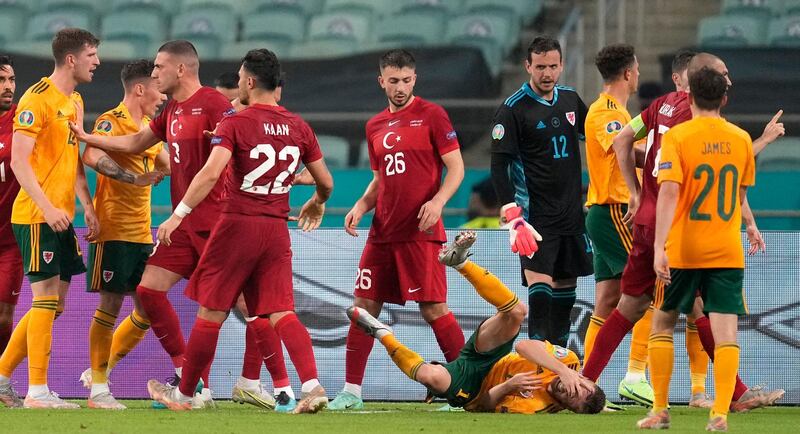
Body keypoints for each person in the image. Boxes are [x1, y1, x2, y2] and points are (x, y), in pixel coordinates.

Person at [583, 52, 785, 412]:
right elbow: (723, 171)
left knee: (629, 307)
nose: (729, 80)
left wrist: (634, 192)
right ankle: (727, 395)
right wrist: (764, 141)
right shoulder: (693, 120)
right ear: (707, 81)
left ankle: (584, 383)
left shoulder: (660, 105)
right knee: (693, 310)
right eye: (723, 74)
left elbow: (622, 141)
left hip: (648, 223)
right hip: (675, 229)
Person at [146, 48, 333, 414]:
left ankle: (185, 395)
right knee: (281, 311)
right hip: (276, 230)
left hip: (236, 226)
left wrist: (177, 215)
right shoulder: (299, 126)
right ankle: (312, 385)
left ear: (248, 81)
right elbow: (324, 181)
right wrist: (318, 201)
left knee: (210, 313)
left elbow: (211, 173)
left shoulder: (236, 122)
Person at [70, 39, 235, 407]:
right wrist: (90, 140)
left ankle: (275, 383)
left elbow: (195, 160)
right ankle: (107, 382)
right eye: (154, 70)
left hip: (200, 223)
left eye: (161, 66)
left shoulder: (211, 105)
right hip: (132, 228)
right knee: (137, 297)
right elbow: (120, 147)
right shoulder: (150, 115)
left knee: (232, 304)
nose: (158, 76)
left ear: (180, 68)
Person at [329, 49, 466, 411]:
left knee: (434, 308)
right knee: (363, 309)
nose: (400, 87)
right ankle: (351, 393)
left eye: (406, 80)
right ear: (382, 82)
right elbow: (379, 181)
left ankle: (465, 388)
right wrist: (360, 206)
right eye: (393, 81)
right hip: (382, 233)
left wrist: (437, 203)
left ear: (414, 79)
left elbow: (456, 169)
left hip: (420, 232)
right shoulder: (374, 125)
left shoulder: (433, 115)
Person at [348, 230, 606, 414]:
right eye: (580, 388)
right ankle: (460, 262)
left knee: (432, 377)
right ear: (586, 380)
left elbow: (483, 405)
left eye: (571, 399)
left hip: (473, 386)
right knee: (516, 311)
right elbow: (524, 346)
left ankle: (381, 333)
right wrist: (563, 370)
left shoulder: (536, 408)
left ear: (566, 407)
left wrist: (508, 386)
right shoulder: (568, 361)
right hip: (490, 355)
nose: (569, 390)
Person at [639, 66, 754, 431]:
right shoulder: (741, 139)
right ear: (724, 98)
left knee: (661, 324)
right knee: (726, 335)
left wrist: (659, 247)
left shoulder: (678, 136)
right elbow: (739, 194)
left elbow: (669, 192)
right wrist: (749, 226)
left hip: (684, 249)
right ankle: (719, 413)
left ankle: (659, 410)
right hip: (726, 249)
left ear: (689, 97)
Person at [0, 28, 100, 409]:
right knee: (43, 301)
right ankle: (37, 391)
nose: (97, 62)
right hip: (36, 214)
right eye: (92, 54)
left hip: (62, 216)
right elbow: (18, 160)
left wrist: (87, 206)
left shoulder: (74, 100)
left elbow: (73, 161)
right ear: (72, 59)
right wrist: (46, 206)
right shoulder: (35, 99)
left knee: (55, 304)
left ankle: (2, 374)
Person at [77, 59, 168, 410]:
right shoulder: (110, 122)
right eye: (158, 88)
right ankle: (100, 390)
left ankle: (99, 371)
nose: (162, 97)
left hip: (143, 232)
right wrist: (133, 178)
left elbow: (167, 164)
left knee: (147, 309)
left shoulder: (147, 127)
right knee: (111, 305)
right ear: (140, 89)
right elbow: (92, 155)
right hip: (113, 229)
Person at [490, 36, 592, 348]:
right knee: (541, 290)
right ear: (527, 66)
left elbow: (599, 141)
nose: (547, 73)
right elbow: (499, 164)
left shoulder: (571, 100)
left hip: (572, 215)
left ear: (561, 65)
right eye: (540, 67)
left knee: (566, 292)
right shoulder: (512, 109)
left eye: (552, 66)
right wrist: (512, 214)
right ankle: (536, 364)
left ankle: (560, 361)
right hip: (535, 217)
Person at [582, 43, 655, 407]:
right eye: (637, 69)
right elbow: (622, 148)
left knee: (607, 302)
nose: (638, 75)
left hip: (603, 212)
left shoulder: (619, 111)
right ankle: (635, 376)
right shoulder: (605, 112)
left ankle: (584, 385)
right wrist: (664, 157)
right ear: (628, 73)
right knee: (651, 292)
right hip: (615, 211)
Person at [0, 55, 21, 363]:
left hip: (11, 237)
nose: (8, 87)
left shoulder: (23, 120)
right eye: (1, 80)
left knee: (4, 317)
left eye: (12, 80)